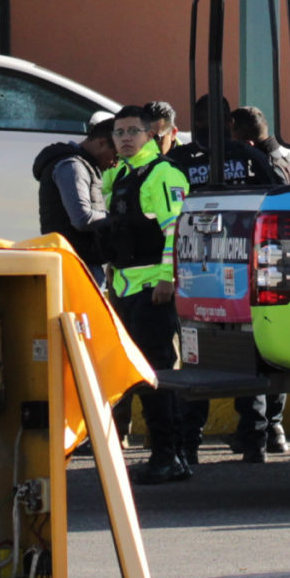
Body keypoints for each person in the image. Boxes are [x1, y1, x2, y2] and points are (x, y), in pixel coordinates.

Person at [104, 105, 199, 483]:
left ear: (149, 135)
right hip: (127, 289)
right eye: (119, 132)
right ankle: (166, 454)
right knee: (141, 374)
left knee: (157, 374)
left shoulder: (161, 174)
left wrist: (165, 279)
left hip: (151, 291)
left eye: (133, 131)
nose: (125, 137)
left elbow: (176, 231)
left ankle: (169, 455)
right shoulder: (121, 175)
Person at [215, 105, 290, 461]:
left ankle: (254, 434)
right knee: (274, 353)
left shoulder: (256, 163)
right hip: (283, 270)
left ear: (244, 137)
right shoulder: (287, 159)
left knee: (250, 354)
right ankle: (273, 428)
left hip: (255, 267)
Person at [35, 119, 119, 281]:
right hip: (76, 265)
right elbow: (82, 218)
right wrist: (118, 218)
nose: (115, 164)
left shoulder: (81, 165)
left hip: (78, 261)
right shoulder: (73, 166)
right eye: (115, 156)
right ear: (101, 143)